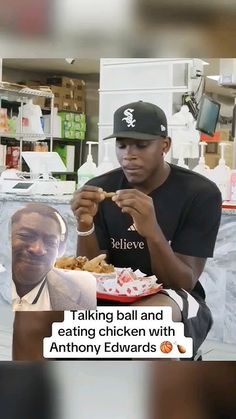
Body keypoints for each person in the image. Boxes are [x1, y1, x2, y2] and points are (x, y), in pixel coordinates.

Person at [71, 100, 222, 356]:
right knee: (48, 317)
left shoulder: (199, 194)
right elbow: (94, 272)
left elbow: (182, 281)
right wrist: (84, 225)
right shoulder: (100, 187)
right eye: (122, 144)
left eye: (141, 145)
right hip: (113, 294)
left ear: (165, 145)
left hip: (173, 297)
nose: (129, 154)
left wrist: (152, 231)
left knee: (139, 322)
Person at [11, 203, 96, 311]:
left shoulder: (84, 296)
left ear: (60, 250)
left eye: (51, 242)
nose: (38, 249)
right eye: (26, 236)